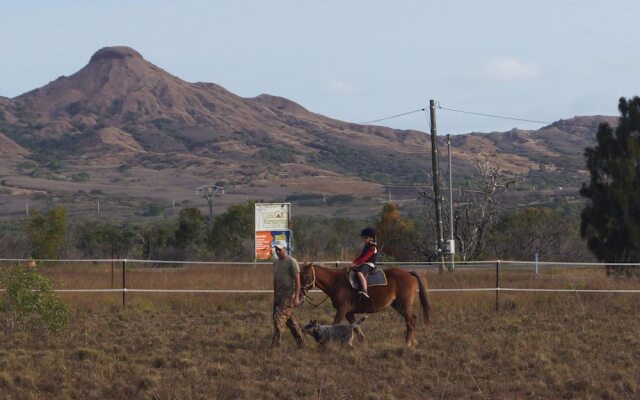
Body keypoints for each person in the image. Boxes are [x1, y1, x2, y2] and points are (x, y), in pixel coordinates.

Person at [271, 240, 305, 348]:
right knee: (290, 322)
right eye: (276, 249)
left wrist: (296, 297)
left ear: (285, 249)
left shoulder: (291, 261)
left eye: (279, 249)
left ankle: (275, 346)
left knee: (278, 319)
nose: (277, 251)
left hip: (288, 295)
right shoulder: (276, 262)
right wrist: (275, 296)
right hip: (280, 296)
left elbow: (297, 280)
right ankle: (302, 343)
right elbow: (275, 280)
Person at [351, 227, 378, 298]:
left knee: (359, 273)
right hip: (364, 264)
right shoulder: (366, 246)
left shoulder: (372, 247)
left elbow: (365, 258)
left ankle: (365, 290)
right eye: (363, 238)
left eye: (365, 238)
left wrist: (356, 263)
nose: (363, 239)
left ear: (371, 238)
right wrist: (354, 262)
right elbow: (361, 256)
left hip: (370, 264)